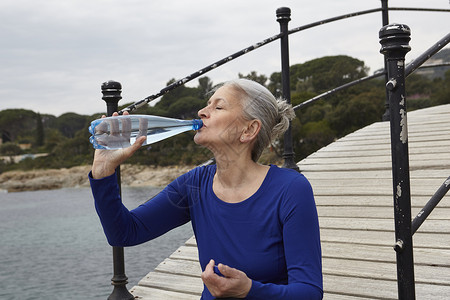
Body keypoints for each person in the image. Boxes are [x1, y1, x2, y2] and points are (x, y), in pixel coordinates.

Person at [89, 78, 323, 299]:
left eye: (218, 107)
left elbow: (309, 292)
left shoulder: (290, 189)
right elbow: (125, 232)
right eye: (207, 104)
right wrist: (103, 171)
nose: (202, 112)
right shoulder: (194, 185)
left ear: (249, 130)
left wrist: (249, 290)